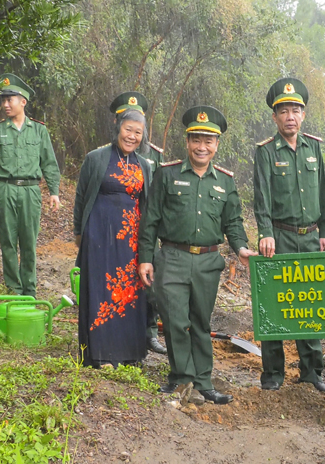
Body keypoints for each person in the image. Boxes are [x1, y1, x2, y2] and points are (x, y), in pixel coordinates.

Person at [138, 106, 257, 404]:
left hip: (207, 261)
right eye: (196, 139)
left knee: (201, 322)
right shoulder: (167, 175)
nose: (201, 146)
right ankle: (180, 378)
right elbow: (150, 219)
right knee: (176, 321)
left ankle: (204, 382)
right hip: (173, 259)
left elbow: (233, 222)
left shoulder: (226, 182)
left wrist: (241, 247)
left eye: (208, 141)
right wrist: (145, 258)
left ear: (217, 145)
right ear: (187, 141)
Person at [252, 78, 325, 396]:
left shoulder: (313, 147)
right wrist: (265, 233)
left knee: (310, 303)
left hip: (310, 238)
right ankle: (272, 372)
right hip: (281, 237)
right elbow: (261, 196)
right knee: (274, 303)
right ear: (275, 117)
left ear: (303, 115)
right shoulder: (264, 151)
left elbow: (324, 193)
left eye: (296, 110)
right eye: (284, 110)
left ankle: (311, 371)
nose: (290, 116)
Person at [73, 95, 152, 368]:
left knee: (130, 294)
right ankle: (98, 355)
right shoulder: (96, 158)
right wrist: (78, 234)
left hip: (131, 241)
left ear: (143, 136)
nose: (131, 136)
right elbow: (81, 197)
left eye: (137, 133)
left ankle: (129, 355)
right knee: (99, 291)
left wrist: (148, 244)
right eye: (127, 130)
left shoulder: (145, 166)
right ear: (117, 128)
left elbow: (149, 206)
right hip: (98, 236)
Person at [0, 73, 61, 297]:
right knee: (8, 241)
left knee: (29, 242)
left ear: (23, 102)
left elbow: (49, 163)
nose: (5, 104)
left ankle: (29, 289)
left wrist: (54, 192)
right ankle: (14, 288)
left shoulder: (39, 130)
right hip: (4, 189)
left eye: (10, 99)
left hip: (30, 191)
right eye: (4, 100)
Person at [109, 92, 168, 355]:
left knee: (147, 281)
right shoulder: (106, 156)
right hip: (116, 228)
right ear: (118, 123)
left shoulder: (153, 157)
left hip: (145, 229)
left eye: (138, 125)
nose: (133, 133)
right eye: (126, 124)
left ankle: (150, 332)